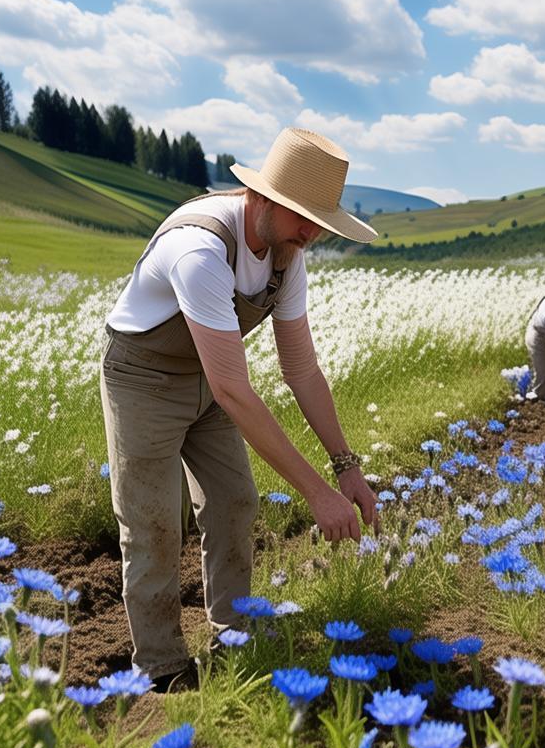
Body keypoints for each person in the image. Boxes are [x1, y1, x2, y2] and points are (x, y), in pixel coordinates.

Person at [100, 127, 380, 691]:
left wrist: (345, 467)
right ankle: (161, 667)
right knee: (153, 523)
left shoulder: (286, 254)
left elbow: (301, 370)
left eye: (318, 221)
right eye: (303, 216)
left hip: (209, 379)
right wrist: (316, 494)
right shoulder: (200, 249)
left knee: (235, 501)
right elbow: (236, 391)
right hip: (143, 380)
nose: (311, 233)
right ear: (262, 196)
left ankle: (233, 633)